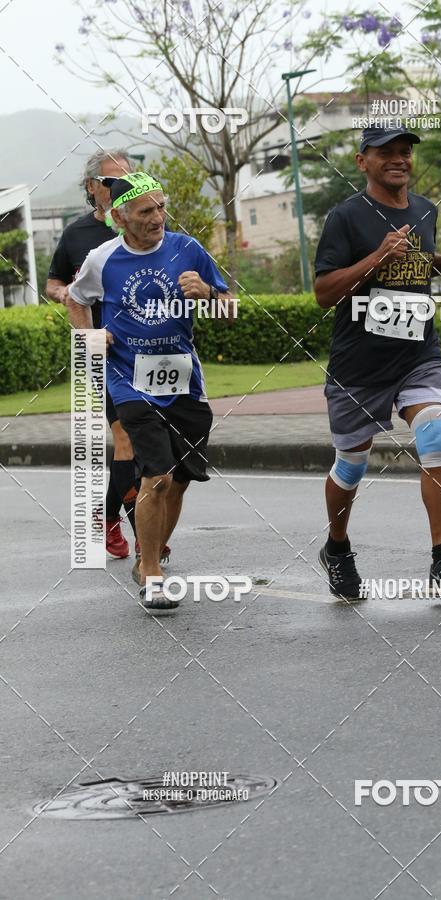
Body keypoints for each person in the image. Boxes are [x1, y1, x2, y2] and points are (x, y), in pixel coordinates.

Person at [314, 125, 441, 601]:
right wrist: (375, 258)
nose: (398, 159)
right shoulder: (344, 218)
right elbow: (324, 293)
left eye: (404, 152)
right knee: (351, 464)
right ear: (361, 161)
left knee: (436, 433)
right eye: (385, 152)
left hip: (417, 354)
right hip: (358, 366)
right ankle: (338, 547)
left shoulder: (425, 208)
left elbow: (416, 263)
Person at [66, 172, 233, 611]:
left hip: (184, 383)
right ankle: (153, 575)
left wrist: (210, 293)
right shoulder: (103, 258)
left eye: (161, 207)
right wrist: (90, 337)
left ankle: (149, 556)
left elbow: (230, 306)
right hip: (129, 381)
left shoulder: (187, 248)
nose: (158, 217)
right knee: (155, 476)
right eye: (146, 211)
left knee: (178, 481)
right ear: (120, 216)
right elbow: (74, 298)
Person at [47, 148, 142, 560]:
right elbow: (53, 284)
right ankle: (148, 537)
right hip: (100, 350)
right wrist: (66, 293)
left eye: (128, 178)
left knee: (150, 442)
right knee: (125, 437)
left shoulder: (144, 225)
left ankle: (104, 519)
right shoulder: (76, 235)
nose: (121, 186)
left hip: (147, 347)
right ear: (92, 188)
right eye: (111, 180)